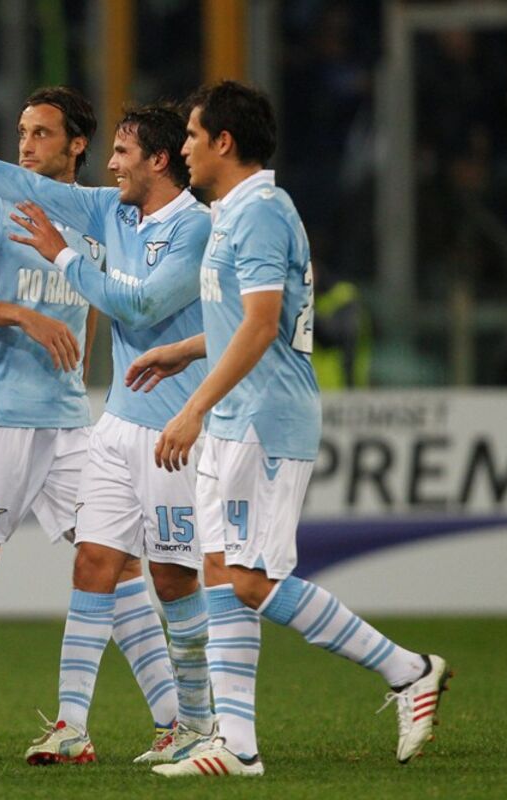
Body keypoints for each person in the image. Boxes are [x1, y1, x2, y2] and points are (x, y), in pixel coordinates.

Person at [128, 80, 449, 777]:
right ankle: (237, 746)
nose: (183, 148)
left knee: (250, 580)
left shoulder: (263, 213)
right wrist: (185, 350)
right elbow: (244, 321)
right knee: (222, 573)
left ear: (224, 142)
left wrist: (192, 407)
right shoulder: (233, 212)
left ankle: (407, 669)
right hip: (237, 417)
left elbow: (262, 324)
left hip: (265, 419)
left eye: (192, 135)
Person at [0, 94, 214, 765]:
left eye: (41, 133)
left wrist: (81, 357)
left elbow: (103, 301)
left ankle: (174, 720)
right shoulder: (0, 207)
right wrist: (22, 316)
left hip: (70, 419)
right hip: (0, 414)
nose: (26, 145)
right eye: (22, 132)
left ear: (77, 144)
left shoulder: (106, 216)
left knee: (116, 562)